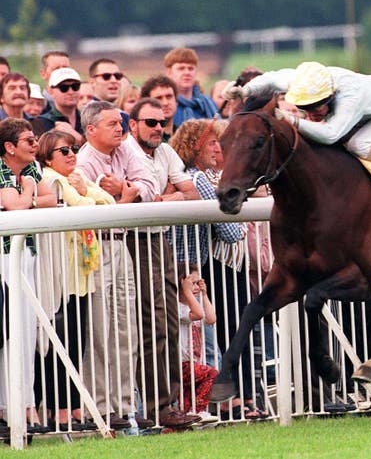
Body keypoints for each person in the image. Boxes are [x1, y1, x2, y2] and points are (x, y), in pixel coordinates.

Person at [223, 61, 371, 204]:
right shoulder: (302, 81)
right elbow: (269, 79)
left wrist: (291, 119)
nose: (311, 112)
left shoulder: (350, 96)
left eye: (316, 107)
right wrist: (245, 91)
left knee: (358, 144)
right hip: (364, 110)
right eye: (306, 107)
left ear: (330, 96)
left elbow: (331, 134)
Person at [169, 119, 267, 420]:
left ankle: (230, 400)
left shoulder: (204, 177)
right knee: (207, 343)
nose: (218, 147)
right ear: (194, 146)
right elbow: (231, 233)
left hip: (202, 267)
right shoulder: (198, 179)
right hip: (198, 269)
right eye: (212, 142)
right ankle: (220, 402)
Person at [76, 100, 155, 430]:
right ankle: (101, 407)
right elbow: (98, 211)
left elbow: (151, 188)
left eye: (120, 122)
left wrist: (124, 190)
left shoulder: (127, 148)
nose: (120, 127)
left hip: (121, 246)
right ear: (91, 129)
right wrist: (125, 199)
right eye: (112, 124)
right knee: (100, 329)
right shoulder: (82, 161)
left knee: (127, 327)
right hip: (95, 248)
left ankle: (126, 407)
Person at [123, 97, 201, 428]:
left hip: (161, 240)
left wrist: (168, 196)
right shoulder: (126, 150)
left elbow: (192, 193)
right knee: (151, 324)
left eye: (163, 123)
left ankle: (168, 405)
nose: (158, 129)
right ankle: (157, 407)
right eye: (151, 123)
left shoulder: (166, 151)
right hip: (134, 241)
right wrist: (171, 194)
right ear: (134, 124)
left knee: (168, 322)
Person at [34, 130, 114, 431]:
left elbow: (110, 202)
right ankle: (60, 411)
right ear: (48, 157)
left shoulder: (77, 177)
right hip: (59, 276)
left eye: (73, 149)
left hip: (81, 275)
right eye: (63, 151)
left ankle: (73, 409)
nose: (71, 155)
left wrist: (85, 191)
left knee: (76, 343)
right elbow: (84, 209)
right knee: (57, 347)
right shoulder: (51, 178)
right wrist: (86, 194)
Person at [0, 118, 56, 433]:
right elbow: (15, 206)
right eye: (28, 140)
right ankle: (8, 409)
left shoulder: (32, 169)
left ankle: (25, 407)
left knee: (26, 333)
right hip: (5, 257)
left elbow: (50, 199)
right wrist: (30, 196)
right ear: (10, 147)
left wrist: (30, 195)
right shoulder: (0, 168)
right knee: (9, 333)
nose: (36, 145)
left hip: (27, 256)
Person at [178, 266, 218, 420]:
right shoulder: (178, 307)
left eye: (197, 283)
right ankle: (200, 411)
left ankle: (192, 416)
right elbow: (198, 314)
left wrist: (204, 294)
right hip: (181, 363)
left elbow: (210, 318)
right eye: (191, 284)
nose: (195, 288)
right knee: (211, 373)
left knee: (186, 406)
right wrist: (187, 292)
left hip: (193, 362)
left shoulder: (193, 305)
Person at [164, 47, 219, 128]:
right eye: (181, 68)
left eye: (191, 68)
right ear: (169, 72)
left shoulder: (208, 104)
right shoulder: (164, 105)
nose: (187, 73)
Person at [31, 67, 84, 143]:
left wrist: (78, 138)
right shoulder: (40, 123)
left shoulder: (89, 120)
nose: (71, 92)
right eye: (64, 88)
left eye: (75, 86)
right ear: (50, 91)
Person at [140, 75, 179, 141]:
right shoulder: (144, 140)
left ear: (176, 101)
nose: (165, 103)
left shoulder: (185, 135)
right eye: (158, 98)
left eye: (169, 96)